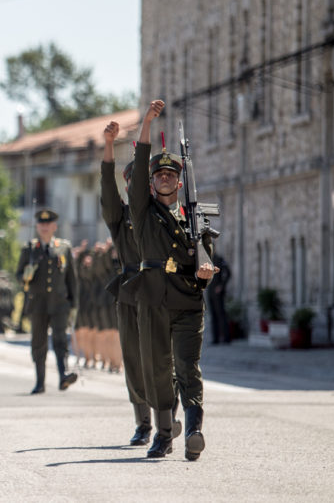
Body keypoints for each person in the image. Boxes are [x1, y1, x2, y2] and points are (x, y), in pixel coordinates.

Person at [127, 99, 217, 460]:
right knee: (160, 370)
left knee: (187, 368)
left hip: (187, 300)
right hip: (152, 300)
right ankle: (163, 435)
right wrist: (147, 122)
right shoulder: (143, 212)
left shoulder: (195, 219)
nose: (165, 178)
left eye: (171, 175)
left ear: (180, 182)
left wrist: (206, 271)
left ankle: (194, 428)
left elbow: (207, 258)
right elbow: (139, 161)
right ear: (150, 183)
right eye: (158, 175)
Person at [101, 120, 153, 446]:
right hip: (131, 292)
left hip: (163, 292)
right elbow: (107, 190)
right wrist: (109, 146)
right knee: (134, 359)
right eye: (133, 183)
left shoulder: (164, 215)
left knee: (162, 358)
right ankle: (143, 421)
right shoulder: (120, 219)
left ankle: (165, 413)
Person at [16, 209, 78, 394]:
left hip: (59, 303)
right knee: (39, 342)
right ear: (37, 226)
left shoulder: (63, 247)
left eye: (47, 224)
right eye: (41, 224)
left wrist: (74, 304)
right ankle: (40, 381)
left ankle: (63, 375)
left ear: (54, 227)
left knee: (60, 339)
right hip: (38, 303)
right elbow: (19, 275)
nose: (44, 227)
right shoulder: (30, 249)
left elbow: (71, 279)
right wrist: (26, 275)